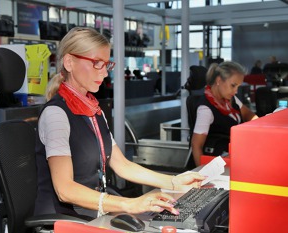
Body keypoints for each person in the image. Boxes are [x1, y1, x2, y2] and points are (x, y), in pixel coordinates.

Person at [34, 27, 205, 219]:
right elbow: (65, 190)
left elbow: (122, 165)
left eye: (106, 65)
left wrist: (175, 181)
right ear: (69, 62)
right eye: (96, 63)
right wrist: (129, 204)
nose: (105, 74)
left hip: (93, 213)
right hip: (64, 219)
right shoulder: (56, 114)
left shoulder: (93, 110)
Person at [191, 61, 259, 167]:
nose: (236, 91)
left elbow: (249, 115)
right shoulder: (206, 109)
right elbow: (196, 145)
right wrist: (201, 176)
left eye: (238, 87)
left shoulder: (231, 99)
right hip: (219, 162)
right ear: (218, 80)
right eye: (233, 85)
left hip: (237, 155)